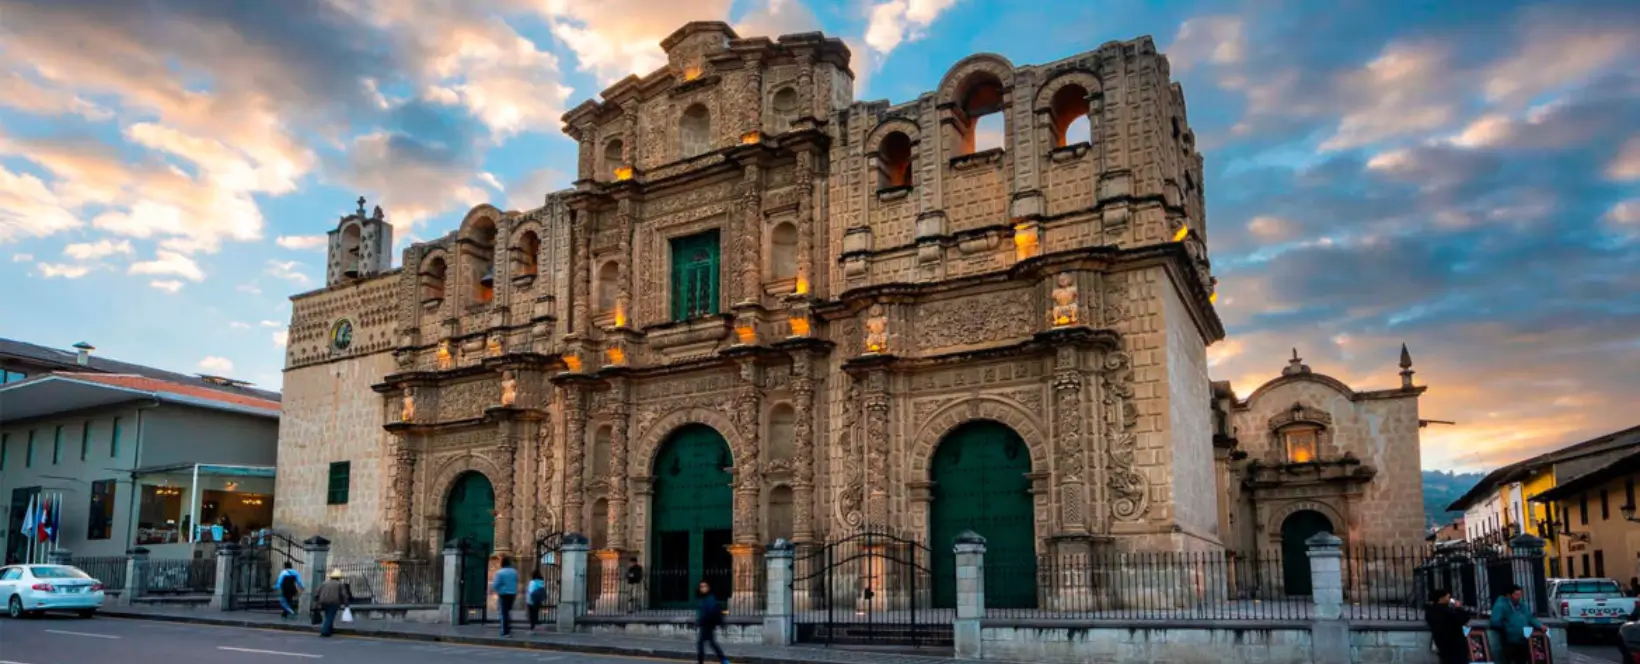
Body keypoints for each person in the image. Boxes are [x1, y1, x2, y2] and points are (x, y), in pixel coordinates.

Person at [1489, 584, 1544, 664]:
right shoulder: (1501, 605)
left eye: (1520, 594)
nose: (1518, 597)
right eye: (1516, 595)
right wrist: (1508, 627)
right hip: (1509, 640)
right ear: (1509, 595)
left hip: (1523, 639)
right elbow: (1495, 621)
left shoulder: (1521, 605)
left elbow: (1530, 617)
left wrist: (1540, 625)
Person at [1425, 589, 1472, 664]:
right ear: (1441, 598)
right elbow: (1462, 619)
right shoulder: (1447, 611)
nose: (1449, 599)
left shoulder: (1431, 611)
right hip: (1455, 643)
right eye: (1447, 597)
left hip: (1441, 642)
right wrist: (1459, 608)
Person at [695, 581, 728, 664]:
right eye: (701, 587)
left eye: (704, 586)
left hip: (707, 624)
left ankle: (701, 662)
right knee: (712, 643)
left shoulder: (710, 598)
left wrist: (701, 621)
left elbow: (708, 612)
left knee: (701, 643)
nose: (703, 588)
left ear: (708, 588)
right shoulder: (704, 598)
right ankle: (724, 660)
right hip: (706, 624)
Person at [314, 569, 352, 638]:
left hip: (323, 602)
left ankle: (329, 629)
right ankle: (325, 631)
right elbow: (344, 594)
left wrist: (317, 601)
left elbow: (317, 592)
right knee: (330, 616)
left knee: (328, 616)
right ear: (338, 578)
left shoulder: (324, 583)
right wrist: (346, 603)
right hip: (334, 602)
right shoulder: (340, 584)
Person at [492, 556, 519, 637]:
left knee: (504, 613)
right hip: (512, 593)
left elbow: (496, 585)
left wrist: (497, 589)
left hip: (504, 594)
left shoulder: (500, 572)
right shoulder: (514, 572)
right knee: (507, 612)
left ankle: (505, 631)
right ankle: (508, 629)